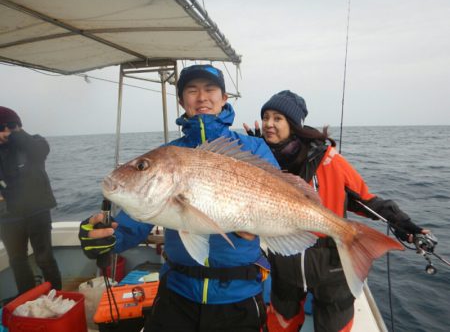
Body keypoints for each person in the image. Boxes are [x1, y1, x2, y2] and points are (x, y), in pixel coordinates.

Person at [79, 64, 279, 332]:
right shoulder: (165, 155)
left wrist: (254, 227)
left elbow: (279, 201)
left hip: (238, 297)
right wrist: (107, 237)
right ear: (182, 100)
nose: (202, 97)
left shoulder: (254, 148)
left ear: (224, 98)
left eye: (210, 89)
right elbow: (137, 220)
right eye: (192, 90)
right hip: (177, 295)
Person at [243, 90, 429, 332]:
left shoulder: (329, 159)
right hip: (286, 263)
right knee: (280, 323)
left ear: (294, 124)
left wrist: (407, 228)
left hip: (332, 267)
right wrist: (256, 152)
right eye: (266, 117)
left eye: (277, 118)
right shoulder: (261, 160)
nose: (269, 124)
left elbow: (367, 201)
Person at [0, 106, 62, 295]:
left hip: (38, 211)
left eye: (8, 126)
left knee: (45, 258)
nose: (4, 132)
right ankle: (28, 300)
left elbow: (40, 151)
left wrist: (16, 133)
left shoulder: (34, 142)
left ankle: (57, 296)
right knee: (18, 261)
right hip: (8, 216)